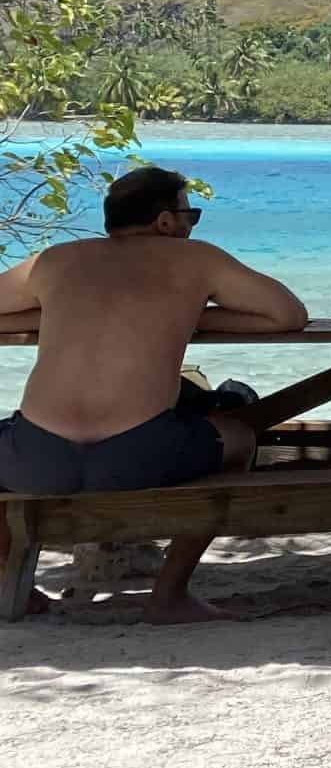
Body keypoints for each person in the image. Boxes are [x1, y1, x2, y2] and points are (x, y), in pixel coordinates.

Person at [0, 167, 310, 623]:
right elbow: (289, 315)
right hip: (137, 455)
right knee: (240, 437)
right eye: (191, 214)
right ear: (166, 221)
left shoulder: (56, 260)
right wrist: (188, 316)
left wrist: (56, 317)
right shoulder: (195, 260)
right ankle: (169, 593)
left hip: (35, 458)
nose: (191, 225)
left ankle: (8, 581)